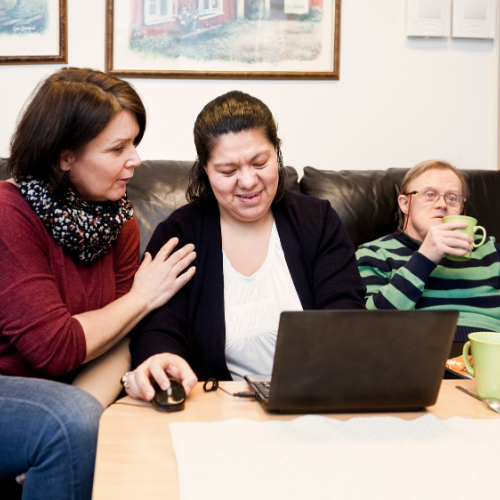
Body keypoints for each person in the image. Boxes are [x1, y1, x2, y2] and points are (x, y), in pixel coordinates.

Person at [0, 68, 195, 500]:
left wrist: (78, 422)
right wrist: (142, 297)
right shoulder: (7, 214)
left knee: (74, 422)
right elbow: (55, 348)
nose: (136, 160)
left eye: (135, 143)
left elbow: (120, 339)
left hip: (58, 396)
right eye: (118, 148)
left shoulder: (116, 220)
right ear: (65, 156)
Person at [124, 90, 366, 402]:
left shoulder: (316, 221)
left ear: (276, 154)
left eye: (260, 162)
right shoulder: (180, 234)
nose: (249, 181)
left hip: (315, 399)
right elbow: (159, 328)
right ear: (206, 170)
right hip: (215, 408)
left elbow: (346, 309)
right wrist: (160, 359)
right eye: (228, 171)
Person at [355, 159, 500, 357]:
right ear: (405, 204)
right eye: (429, 194)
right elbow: (367, 327)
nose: (442, 204)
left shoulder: (491, 250)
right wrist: (425, 258)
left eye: (452, 198)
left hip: (491, 354)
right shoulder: (373, 253)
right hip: (421, 355)